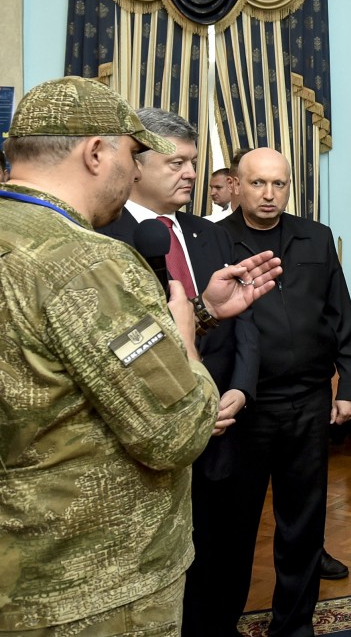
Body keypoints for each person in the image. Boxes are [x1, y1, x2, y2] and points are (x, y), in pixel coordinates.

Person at [0, 76, 280, 635]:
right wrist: (186, 342)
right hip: (95, 583)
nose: (133, 171)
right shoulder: (88, 261)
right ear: (95, 153)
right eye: (132, 155)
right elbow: (177, 431)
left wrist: (200, 311)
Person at [95, 107, 261, 637]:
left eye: (193, 162)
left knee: (227, 547)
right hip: (152, 432)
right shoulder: (103, 236)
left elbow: (244, 319)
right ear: (136, 166)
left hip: (226, 420)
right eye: (176, 163)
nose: (191, 173)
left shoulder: (208, 233)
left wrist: (240, 389)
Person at [219, 147, 351, 637]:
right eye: (257, 183)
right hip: (245, 408)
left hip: (308, 401)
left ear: (289, 187)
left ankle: (294, 626)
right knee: (235, 527)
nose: (269, 194)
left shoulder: (315, 237)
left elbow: (340, 314)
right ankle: (221, 624)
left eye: (278, 184)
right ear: (236, 185)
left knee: (303, 523)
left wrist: (350, 383)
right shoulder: (213, 241)